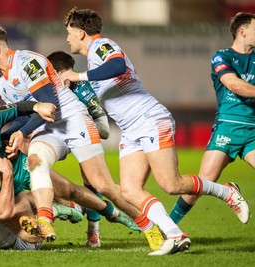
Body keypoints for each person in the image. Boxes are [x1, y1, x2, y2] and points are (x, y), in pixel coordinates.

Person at [60, 7, 250, 255]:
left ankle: (227, 192)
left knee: (171, 184)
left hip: (149, 118)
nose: (67, 38)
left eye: (69, 32)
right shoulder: (94, 56)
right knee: (129, 190)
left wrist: (78, 75)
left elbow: (117, 66)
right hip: (131, 129)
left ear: (82, 33)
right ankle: (175, 235)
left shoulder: (101, 45)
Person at [0, 26, 162, 249]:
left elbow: (47, 106)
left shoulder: (27, 63)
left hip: (73, 120)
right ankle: (45, 218)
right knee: (35, 159)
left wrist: (20, 133)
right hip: (49, 128)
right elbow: (30, 114)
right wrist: (8, 137)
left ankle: (150, 226)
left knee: (105, 186)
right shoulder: (3, 83)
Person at [0, 90, 141, 244]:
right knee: (30, 236)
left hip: (17, 166)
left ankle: (111, 212)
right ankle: (55, 210)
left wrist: (37, 107)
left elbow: (18, 107)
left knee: (70, 190)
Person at [169, 12, 255, 224]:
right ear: (242, 32)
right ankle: (168, 225)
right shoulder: (222, 57)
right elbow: (233, 84)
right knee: (204, 182)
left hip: (253, 131)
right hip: (227, 127)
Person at [47, 50, 109, 247]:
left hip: (81, 135)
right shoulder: (43, 87)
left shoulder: (83, 89)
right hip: (56, 136)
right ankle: (69, 207)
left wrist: (82, 125)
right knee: (34, 167)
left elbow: (105, 130)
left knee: (93, 182)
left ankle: (93, 233)